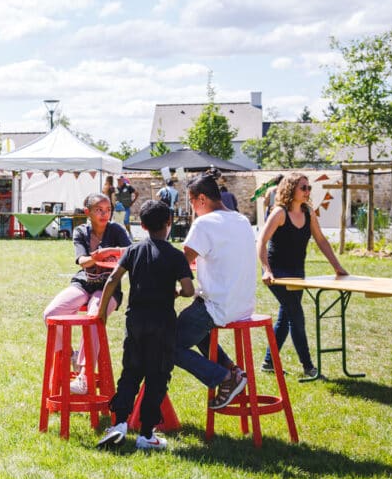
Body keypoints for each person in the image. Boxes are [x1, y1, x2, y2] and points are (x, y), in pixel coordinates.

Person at [96, 200, 194, 451]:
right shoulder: (175, 255)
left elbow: (111, 280)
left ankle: (119, 424)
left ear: (142, 225)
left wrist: (101, 313)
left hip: (135, 321)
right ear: (168, 224)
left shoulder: (132, 251)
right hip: (162, 323)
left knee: (131, 372)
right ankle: (147, 432)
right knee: (157, 376)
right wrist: (177, 293)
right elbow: (188, 289)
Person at [257, 173, 349, 379]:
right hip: (277, 274)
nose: (308, 191)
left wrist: (337, 266)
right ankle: (308, 367)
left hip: (298, 272)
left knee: (286, 315)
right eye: (303, 188)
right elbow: (261, 242)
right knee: (296, 317)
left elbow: (321, 240)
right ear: (291, 189)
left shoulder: (308, 212)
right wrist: (267, 269)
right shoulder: (279, 213)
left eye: (309, 188)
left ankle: (268, 362)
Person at [174, 173, 254, 410]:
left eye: (190, 202)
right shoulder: (241, 219)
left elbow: (182, 263)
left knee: (165, 343)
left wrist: (174, 288)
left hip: (216, 306)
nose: (191, 209)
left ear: (200, 199)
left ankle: (224, 378)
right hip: (242, 305)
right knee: (195, 328)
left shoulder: (204, 223)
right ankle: (232, 370)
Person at [42, 193, 131, 394]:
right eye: (99, 210)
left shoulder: (115, 229)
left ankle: (84, 376)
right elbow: (82, 261)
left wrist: (112, 250)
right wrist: (96, 257)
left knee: (94, 317)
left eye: (107, 210)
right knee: (50, 313)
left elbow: (130, 251)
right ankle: (70, 355)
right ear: (88, 212)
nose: (104, 214)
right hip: (85, 282)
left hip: (109, 285)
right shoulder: (81, 231)